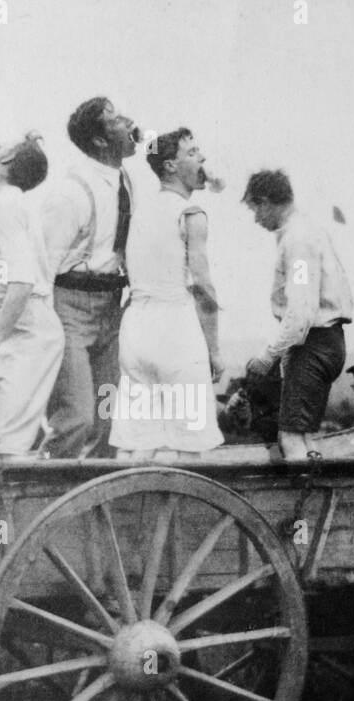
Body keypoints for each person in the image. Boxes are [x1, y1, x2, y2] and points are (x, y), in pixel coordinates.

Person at [109, 128, 224, 459]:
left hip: (136, 331)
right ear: (170, 166)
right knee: (189, 446)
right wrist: (214, 350)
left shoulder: (139, 212)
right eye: (192, 153)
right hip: (176, 330)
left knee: (136, 443)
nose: (202, 158)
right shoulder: (192, 214)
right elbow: (203, 289)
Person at [39, 97, 141, 458]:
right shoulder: (70, 194)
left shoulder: (124, 179)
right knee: (77, 417)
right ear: (99, 140)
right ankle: (41, 496)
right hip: (69, 310)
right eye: (114, 119)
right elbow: (41, 270)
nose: (128, 119)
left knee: (108, 417)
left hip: (112, 309)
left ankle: (94, 506)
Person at [0, 133, 65, 459]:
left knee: (6, 450)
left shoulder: (7, 202)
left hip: (28, 328)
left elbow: (21, 282)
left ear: (6, 163)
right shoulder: (8, 203)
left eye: (3, 148)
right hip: (19, 327)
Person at [242, 169, 354, 459]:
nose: (256, 219)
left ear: (266, 201)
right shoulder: (307, 231)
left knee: (290, 438)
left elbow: (301, 312)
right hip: (326, 342)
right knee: (304, 435)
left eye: (255, 210)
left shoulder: (298, 240)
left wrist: (267, 357)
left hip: (312, 345)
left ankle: (304, 501)